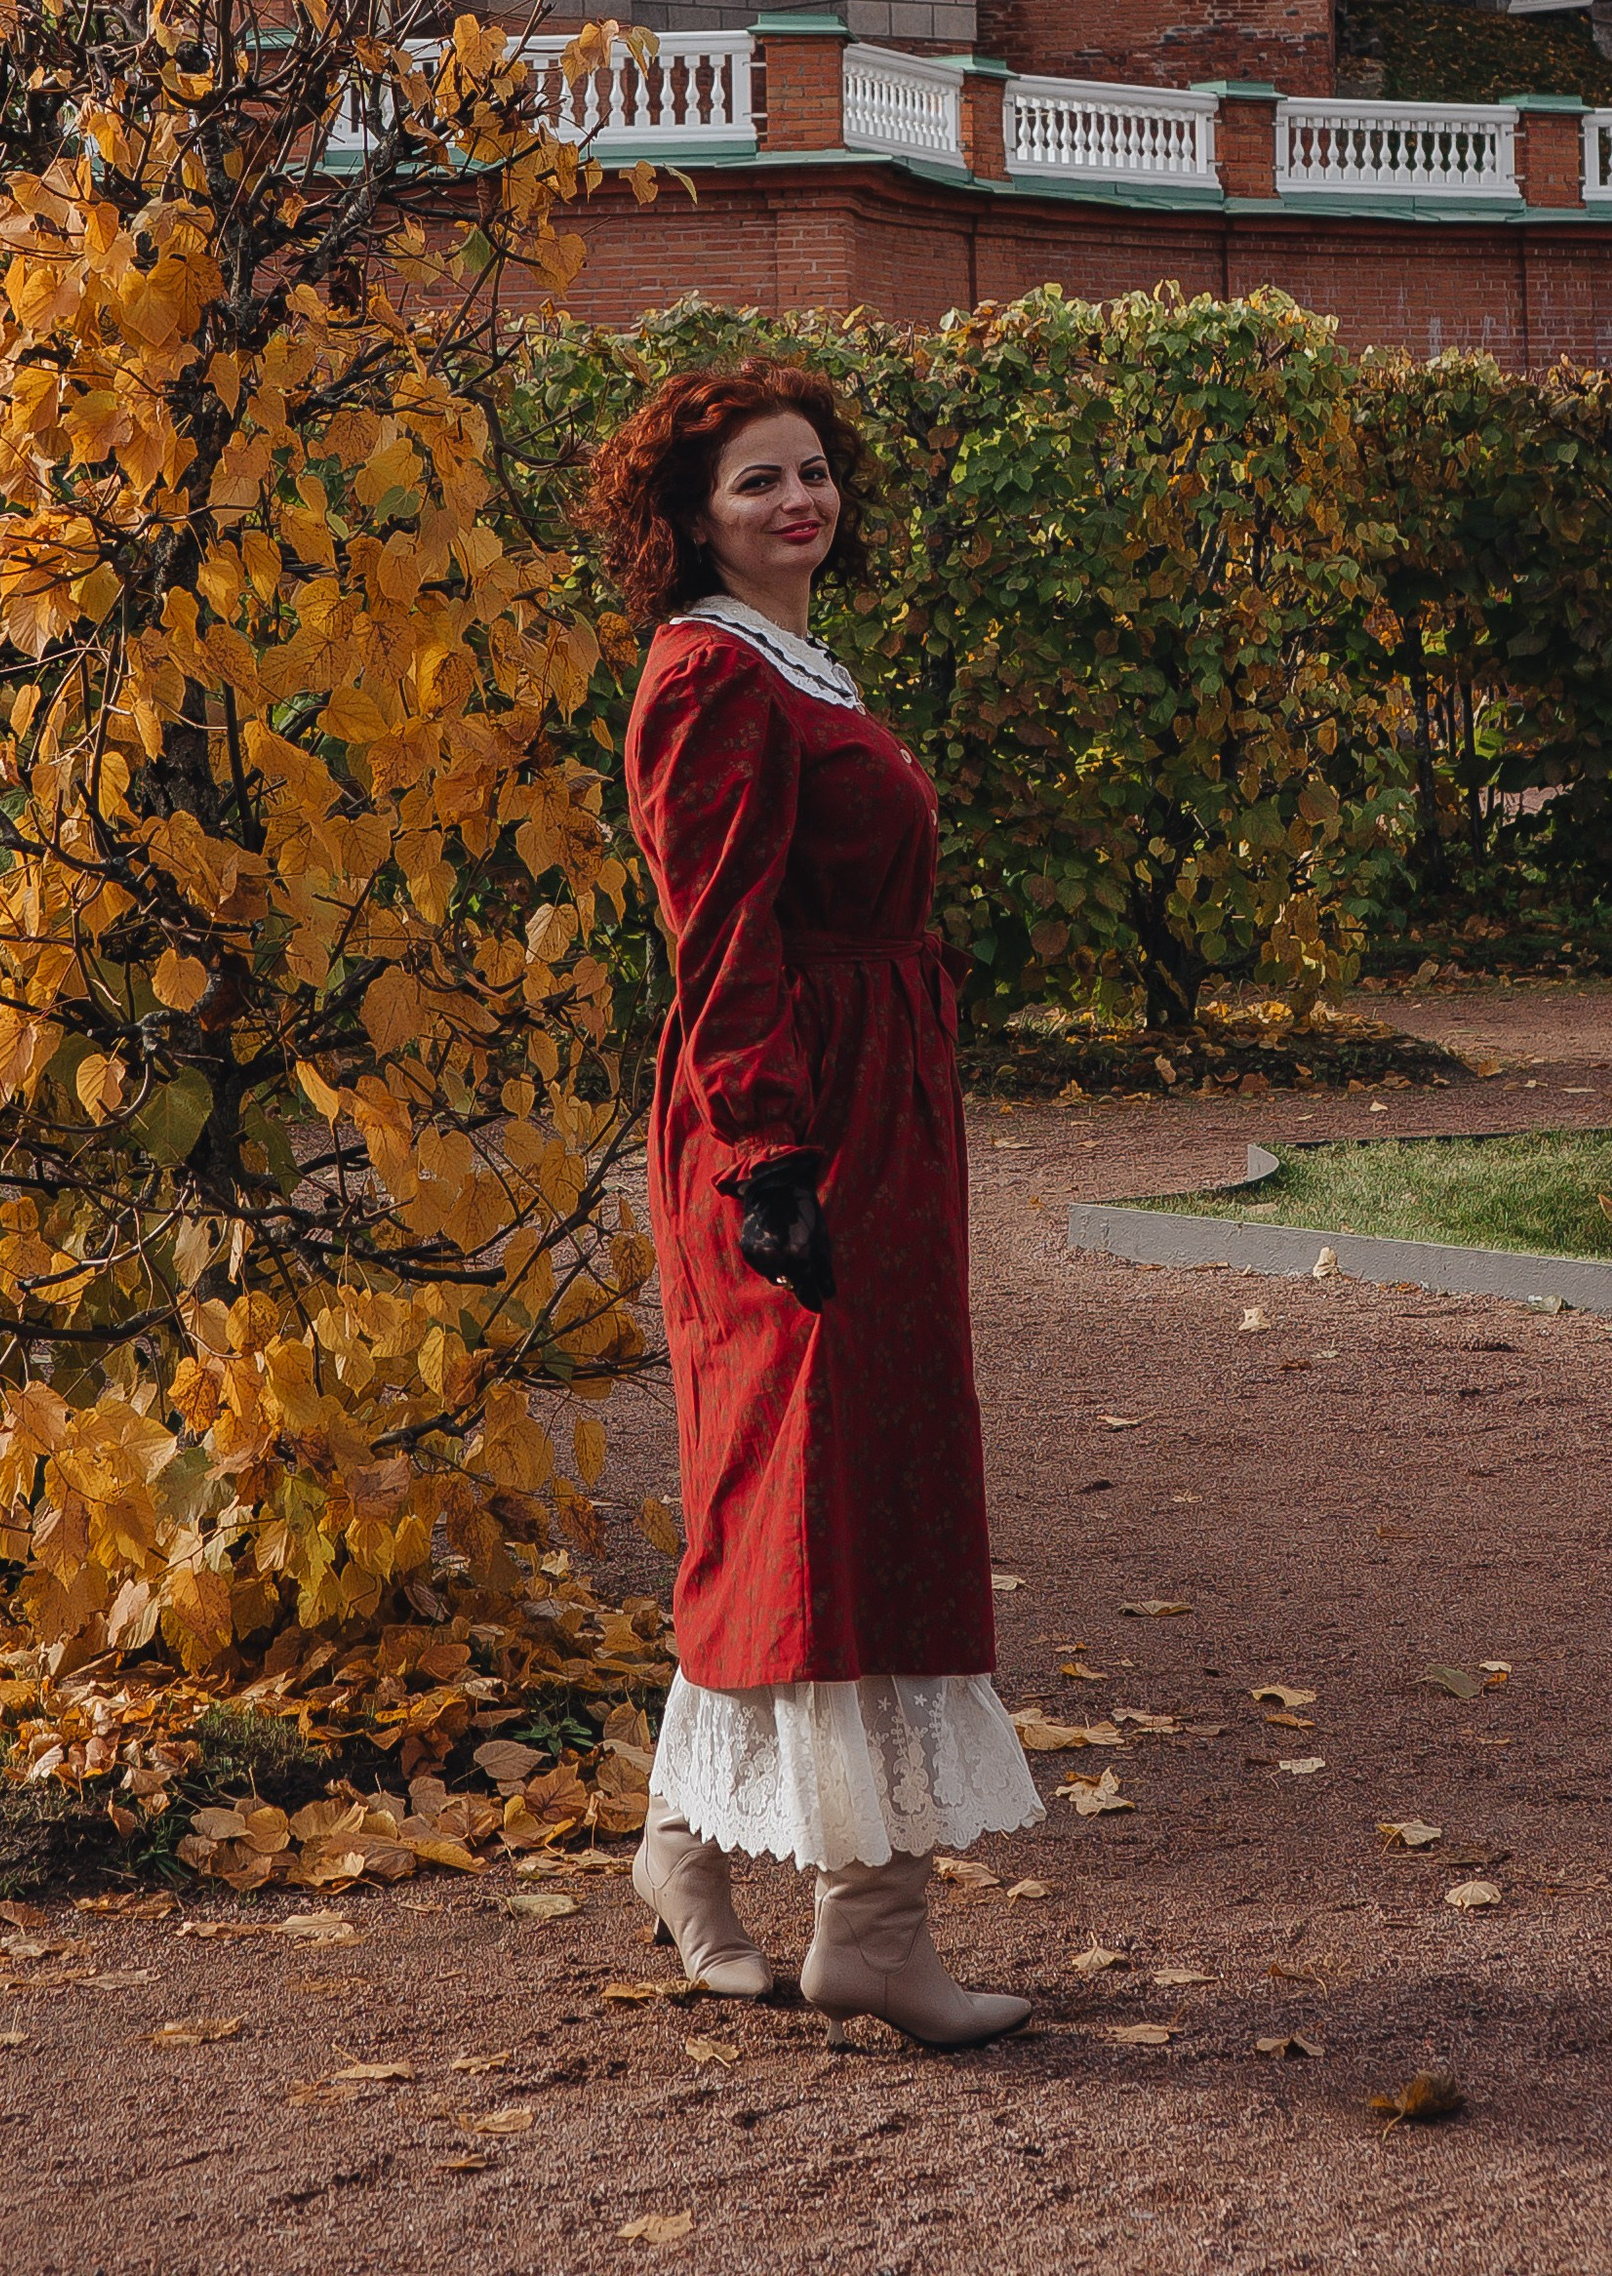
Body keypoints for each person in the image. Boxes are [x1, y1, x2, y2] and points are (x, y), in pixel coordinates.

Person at [582, 362, 1039, 2049]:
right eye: (759, 483)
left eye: (814, 474)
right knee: (825, 1500)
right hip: (794, 1122)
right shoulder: (706, 674)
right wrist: (770, 1154)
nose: (800, 501)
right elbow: (719, 935)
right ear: (694, 520)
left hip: (875, 1110)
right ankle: (872, 1929)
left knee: (846, 1486)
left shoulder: (795, 662)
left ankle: (684, 1863)